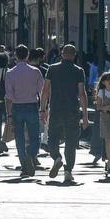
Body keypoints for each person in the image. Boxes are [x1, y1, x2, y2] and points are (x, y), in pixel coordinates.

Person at [40, 44, 90, 184]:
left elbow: (45, 91)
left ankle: (57, 158)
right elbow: (82, 94)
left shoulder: (52, 68)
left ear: (62, 54)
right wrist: (85, 116)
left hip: (56, 108)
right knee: (71, 142)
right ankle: (68, 171)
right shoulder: (78, 71)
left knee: (52, 138)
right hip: (72, 109)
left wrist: (42, 110)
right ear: (74, 55)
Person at [3, 44, 45, 177]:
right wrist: (44, 109)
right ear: (27, 55)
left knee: (19, 137)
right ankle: (31, 154)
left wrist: (9, 114)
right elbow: (42, 92)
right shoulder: (35, 71)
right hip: (32, 105)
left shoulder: (10, 73)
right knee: (35, 135)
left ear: (15, 55)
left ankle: (24, 164)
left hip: (17, 107)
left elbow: (8, 96)